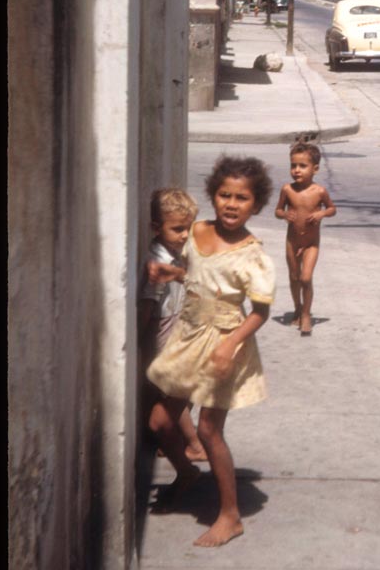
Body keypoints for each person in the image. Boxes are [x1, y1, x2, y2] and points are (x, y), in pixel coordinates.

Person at [146, 155, 275, 547]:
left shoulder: (253, 254)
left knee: (208, 429)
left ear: (256, 205)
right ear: (213, 196)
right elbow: (198, 275)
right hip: (188, 337)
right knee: (159, 421)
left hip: (224, 342)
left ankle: (230, 515)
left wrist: (230, 345)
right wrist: (173, 273)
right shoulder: (197, 232)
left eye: (242, 198)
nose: (232, 204)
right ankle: (187, 473)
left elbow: (261, 312)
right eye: (224, 195)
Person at [139, 188, 206, 462]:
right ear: (156, 228)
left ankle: (182, 443)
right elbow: (148, 303)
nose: (183, 235)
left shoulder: (176, 253)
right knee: (173, 392)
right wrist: (139, 337)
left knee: (176, 392)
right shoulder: (158, 260)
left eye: (187, 229)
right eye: (177, 229)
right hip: (162, 333)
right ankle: (189, 443)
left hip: (176, 329)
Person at [274, 140, 336, 336]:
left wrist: (321, 214)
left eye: (302, 166)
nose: (297, 170)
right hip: (292, 241)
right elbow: (277, 210)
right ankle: (297, 308)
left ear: (315, 168)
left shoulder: (319, 192)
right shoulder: (287, 190)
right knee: (294, 277)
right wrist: (285, 215)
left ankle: (307, 314)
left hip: (311, 243)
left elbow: (332, 209)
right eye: (293, 165)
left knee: (306, 277)